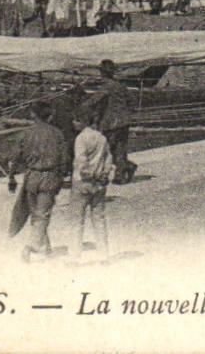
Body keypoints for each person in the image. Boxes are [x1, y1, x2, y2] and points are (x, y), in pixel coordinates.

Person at [7, 100, 70, 262]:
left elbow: (14, 159)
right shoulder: (57, 134)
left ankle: (46, 247)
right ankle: (30, 247)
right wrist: (61, 177)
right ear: (49, 116)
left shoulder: (25, 134)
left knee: (37, 213)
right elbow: (65, 159)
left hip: (31, 178)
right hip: (49, 177)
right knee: (43, 214)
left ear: (33, 115)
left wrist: (11, 177)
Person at [72, 114, 113, 260]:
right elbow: (108, 157)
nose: (73, 122)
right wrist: (104, 173)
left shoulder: (80, 139)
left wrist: (88, 174)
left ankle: (74, 258)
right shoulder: (102, 138)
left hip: (83, 183)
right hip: (99, 184)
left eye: (76, 119)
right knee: (99, 219)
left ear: (82, 121)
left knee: (77, 220)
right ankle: (104, 255)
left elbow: (81, 161)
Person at [90, 59, 137, 184]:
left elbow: (94, 101)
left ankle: (124, 168)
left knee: (107, 149)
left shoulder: (107, 87)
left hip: (111, 123)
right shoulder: (121, 86)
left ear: (102, 73)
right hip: (124, 121)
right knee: (120, 148)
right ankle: (121, 174)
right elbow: (132, 101)